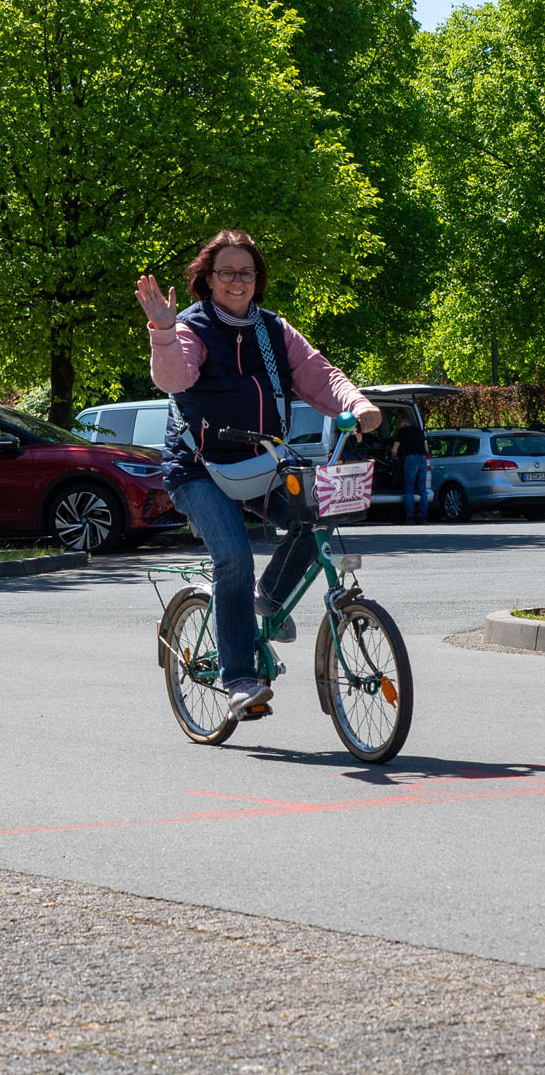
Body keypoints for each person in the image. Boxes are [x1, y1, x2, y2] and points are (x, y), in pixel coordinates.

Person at [136, 229, 381, 713]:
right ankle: (240, 680)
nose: (237, 281)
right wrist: (163, 331)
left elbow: (318, 375)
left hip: (262, 459)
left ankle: (267, 599)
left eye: (246, 272)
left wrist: (356, 403)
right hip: (199, 468)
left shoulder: (274, 330)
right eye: (226, 272)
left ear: (257, 279)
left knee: (318, 517)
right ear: (208, 279)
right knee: (234, 559)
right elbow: (173, 377)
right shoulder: (191, 327)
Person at [393, 411, 429, 524]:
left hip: (410, 459)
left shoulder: (402, 432)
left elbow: (394, 450)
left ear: (401, 423)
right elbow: (426, 448)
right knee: (423, 489)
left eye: (398, 424)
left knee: (409, 489)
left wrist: (395, 457)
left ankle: (410, 517)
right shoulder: (420, 431)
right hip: (423, 458)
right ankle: (423, 516)